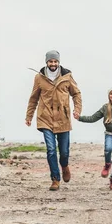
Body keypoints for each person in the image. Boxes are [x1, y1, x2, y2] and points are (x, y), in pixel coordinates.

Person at [25, 50, 82, 191]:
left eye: (55, 61)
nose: (53, 64)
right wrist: (29, 116)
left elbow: (76, 94)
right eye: (50, 61)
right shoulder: (39, 78)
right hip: (45, 118)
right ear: (46, 62)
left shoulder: (67, 76)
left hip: (63, 118)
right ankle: (55, 179)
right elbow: (33, 98)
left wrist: (77, 110)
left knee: (64, 152)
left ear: (58, 62)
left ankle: (65, 165)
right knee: (51, 150)